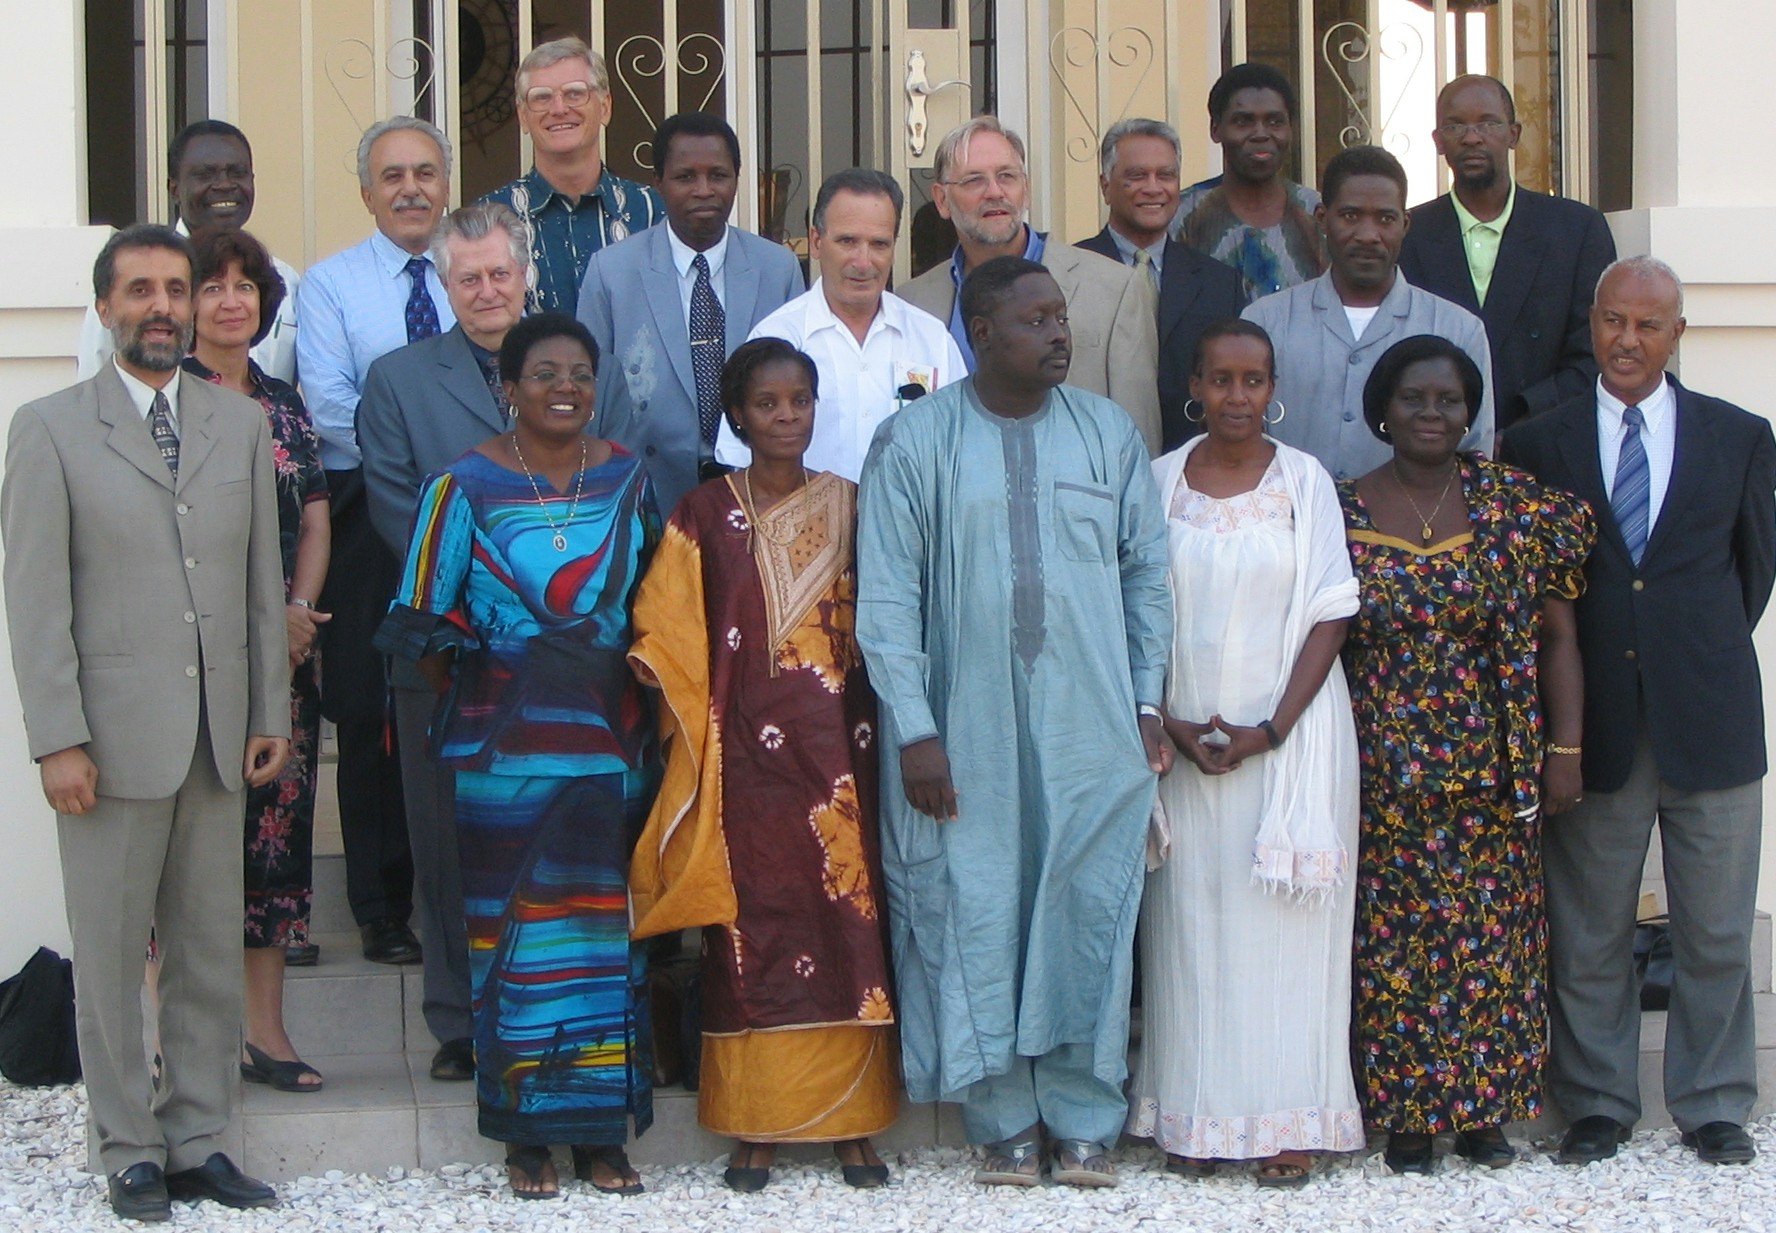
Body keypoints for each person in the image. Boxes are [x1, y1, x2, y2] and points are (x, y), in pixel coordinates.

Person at [857, 256, 1173, 1188]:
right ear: (981, 332)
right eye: (1035, 320)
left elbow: (1146, 578)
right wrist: (915, 727)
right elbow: (886, 599)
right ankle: (1000, 1116)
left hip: (1093, 721)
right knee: (976, 900)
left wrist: (1148, 701)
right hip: (962, 725)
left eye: (1061, 316)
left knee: (1086, 905)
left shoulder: (1108, 434)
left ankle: (1083, 1112)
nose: (1059, 334)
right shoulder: (913, 442)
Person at [2, 224, 289, 1221]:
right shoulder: (48, 429)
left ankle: (198, 1136)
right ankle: (125, 1144)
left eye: (177, 287)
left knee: (210, 949)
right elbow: (35, 601)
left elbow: (261, 585)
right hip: (109, 745)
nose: (163, 305)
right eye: (141, 290)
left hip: (217, 736)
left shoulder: (238, 426)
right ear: (106, 307)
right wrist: (56, 738)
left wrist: (270, 712)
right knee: (114, 952)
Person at [1499, 257, 1776, 1168]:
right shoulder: (1540, 442)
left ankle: (1714, 1101)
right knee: (1588, 926)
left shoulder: (1739, 435)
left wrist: (1684, 649)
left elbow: (1753, 570)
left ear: (1677, 335)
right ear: (1593, 322)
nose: (1626, 340)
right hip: (1594, 724)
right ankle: (1598, 1102)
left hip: (1711, 714)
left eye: (1647, 325)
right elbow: (1537, 591)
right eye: (1612, 320)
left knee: (1716, 926)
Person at [376, 313, 660, 1199]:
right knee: (513, 940)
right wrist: (501, 694)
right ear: (510, 385)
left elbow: (657, 602)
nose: (564, 386)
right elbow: (422, 619)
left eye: (579, 371)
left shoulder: (626, 475)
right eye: (543, 373)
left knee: (604, 942)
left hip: (609, 744)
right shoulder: (460, 486)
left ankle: (602, 1136)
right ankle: (527, 1137)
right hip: (503, 756)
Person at [629, 337, 899, 1192]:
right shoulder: (703, 513)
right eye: (767, 403)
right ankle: (757, 1126)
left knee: (851, 928)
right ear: (736, 415)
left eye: (800, 400)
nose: (786, 416)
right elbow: (664, 622)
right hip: (742, 757)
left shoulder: (855, 504)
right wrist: (662, 669)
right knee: (749, 932)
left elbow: (893, 618)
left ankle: (855, 1122)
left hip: (842, 758)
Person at [1339, 334, 1593, 1174]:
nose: (1432, 414)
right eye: (1414, 398)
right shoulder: (1341, 509)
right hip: (1382, 768)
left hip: (1494, 765)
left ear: (1471, 412)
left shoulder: (1515, 503)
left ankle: (1484, 1114)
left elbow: (1559, 636)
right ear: (1383, 408)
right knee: (1396, 945)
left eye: (1449, 400)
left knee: (1494, 944)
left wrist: (1565, 748)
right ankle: (1411, 1117)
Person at [1127, 319, 1363, 1186]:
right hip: (1183, 746)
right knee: (1191, 930)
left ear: (1273, 387)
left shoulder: (1306, 482)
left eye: (1253, 380)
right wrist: (1173, 721)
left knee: (1287, 935)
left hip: (1292, 742)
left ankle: (1287, 1119)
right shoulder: (1156, 483)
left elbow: (1333, 609)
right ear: (1194, 382)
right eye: (1221, 379)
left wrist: (1272, 728)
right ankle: (1195, 1116)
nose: (1237, 397)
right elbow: (1138, 603)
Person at [356, 201, 533, 1088]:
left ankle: (537, 1009)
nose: (486, 290)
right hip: (441, 642)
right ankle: (459, 1019)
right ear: (443, 283)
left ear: (525, 274)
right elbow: (394, 505)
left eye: (500, 273)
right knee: (442, 838)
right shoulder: (396, 379)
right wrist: (485, 594)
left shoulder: (569, 360)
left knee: (543, 833)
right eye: (468, 277)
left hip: (554, 647)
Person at [297, 116, 450, 994]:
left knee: (452, 691)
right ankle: (379, 905)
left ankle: (449, 887)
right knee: (366, 710)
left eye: (426, 172)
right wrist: (412, 458)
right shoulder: (330, 285)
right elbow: (327, 402)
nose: (410, 189)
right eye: (392, 174)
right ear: (366, 192)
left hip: (469, 504)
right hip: (365, 510)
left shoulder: (476, 266)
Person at [181, 229, 330, 1095]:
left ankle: (266, 1033)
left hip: (285, 659)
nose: (231, 300)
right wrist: (257, 617)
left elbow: (314, 512)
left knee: (276, 842)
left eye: (246, 286)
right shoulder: (171, 401)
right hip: (195, 657)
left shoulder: (283, 403)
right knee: (189, 840)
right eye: (214, 286)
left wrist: (298, 613)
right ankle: (179, 1040)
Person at [897, 116, 1164, 454]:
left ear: (1025, 188)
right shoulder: (912, 301)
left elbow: (1138, 437)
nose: (994, 192)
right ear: (941, 200)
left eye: (1006, 176)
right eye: (974, 180)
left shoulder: (1114, 288)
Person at [578, 112, 802, 512]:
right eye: (685, 177)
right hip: (646, 499)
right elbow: (591, 398)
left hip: (759, 497)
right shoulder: (612, 273)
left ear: (737, 178)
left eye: (718, 175)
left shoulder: (778, 269)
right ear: (658, 182)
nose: (703, 190)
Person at [1244, 144, 1493, 481]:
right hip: (1289, 527)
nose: (1367, 235)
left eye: (1385, 219)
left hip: (1411, 532)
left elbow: (1475, 460)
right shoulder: (1264, 323)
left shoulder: (1458, 331)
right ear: (1322, 219)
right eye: (1350, 216)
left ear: (1405, 224)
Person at [713, 168, 965, 480]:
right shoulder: (776, 338)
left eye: (879, 244)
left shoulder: (931, 339)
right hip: (803, 527)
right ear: (816, 241)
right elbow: (739, 463)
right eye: (847, 241)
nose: (863, 262)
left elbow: (960, 455)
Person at [1399, 75, 1617, 430]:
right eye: (1455, 126)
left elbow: (1595, 353)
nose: (1472, 137)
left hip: (1545, 441)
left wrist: (1523, 424)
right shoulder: (1409, 235)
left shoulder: (1577, 230)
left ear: (1513, 134)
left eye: (1488, 123)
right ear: (1438, 142)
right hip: (1434, 449)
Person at [78, 120, 300, 386]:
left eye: (237, 172)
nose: (224, 185)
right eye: (206, 175)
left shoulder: (285, 279)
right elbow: (92, 387)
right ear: (174, 188)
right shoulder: (130, 279)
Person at [1076, 119, 1243, 451]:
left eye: (1165, 176)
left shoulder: (1219, 283)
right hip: (1095, 461)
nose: (1153, 188)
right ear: (1105, 186)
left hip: (1193, 466)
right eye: (1136, 176)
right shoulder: (1068, 274)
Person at [482, 37, 664, 314]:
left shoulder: (652, 211)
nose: (558, 109)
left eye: (575, 93)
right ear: (522, 116)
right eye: (541, 97)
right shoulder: (489, 219)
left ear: (605, 107)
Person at [1172, 64, 1323, 303]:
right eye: (1243, 122)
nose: (1260, 134)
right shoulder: (1181, 215)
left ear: (1291, 129)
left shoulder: (1318, 214)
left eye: (1275, 122)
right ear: (1215, 129)